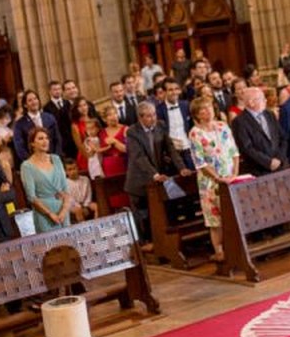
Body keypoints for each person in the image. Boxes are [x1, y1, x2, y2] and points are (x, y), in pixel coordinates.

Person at [123, 101, 184, 246]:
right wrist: (155, 175)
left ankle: (169, 243)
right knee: (144, 218)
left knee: (165, 212)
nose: (153, 118)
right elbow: (139, 157)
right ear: (140, 117)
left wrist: (181, 168)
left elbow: (171, 149)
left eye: (154, 115)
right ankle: (146, 246)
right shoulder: (132, 132)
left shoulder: (161, 126)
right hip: (140, 181)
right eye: (149, 116)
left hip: (159, 179)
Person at [188, 96, 239, 263]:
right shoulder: (195, 133)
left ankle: (237, 247)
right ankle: (219, 251)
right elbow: (200, 163)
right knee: (215, 219)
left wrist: (234, 174)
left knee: (233, 214)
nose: (208, 111)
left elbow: (234, 152)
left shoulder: (222, 126)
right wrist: (218, 178)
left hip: (229, 177)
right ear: (197, 114)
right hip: (210, 182)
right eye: (203, 110)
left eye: (209, 107)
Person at [21, 127, 73, 233]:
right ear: (32, 143)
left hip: (62, 210)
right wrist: (50, 214)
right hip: (44, 214)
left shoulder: (56, 159)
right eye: (40, 138)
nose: (45, 141)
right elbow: (31, 197)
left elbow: (65, 190)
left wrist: (64, 211)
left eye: (47, 138)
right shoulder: (27, 166)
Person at [231, 86, 287, 176]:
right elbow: (247, 148)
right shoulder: (239, 122)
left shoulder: (270, 114)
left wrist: (279, 159)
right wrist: (268, 162)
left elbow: (282, 138)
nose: (265, 100)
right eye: (262, 98)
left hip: (280, 167)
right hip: (259, 171)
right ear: (251, 103)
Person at [12, 90, 61, 165]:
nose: (34, 102)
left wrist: (55, 158)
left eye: (35, 99)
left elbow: (57, 139)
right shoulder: (19, 124)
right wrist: (32, 162)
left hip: (53, 160)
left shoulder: (49, 117)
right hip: (33, 163)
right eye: (30, 100)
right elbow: (20, 147)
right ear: (25, 105)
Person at [98, 105, 128, 177]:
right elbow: (100, 152)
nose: (114, 116)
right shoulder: (101, 133)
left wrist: (115, 142)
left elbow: (129, 149)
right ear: (104, 119)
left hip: (123, 163)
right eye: (110, 115)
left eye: (115, 113)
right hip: (108, 166)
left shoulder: (125, 129)